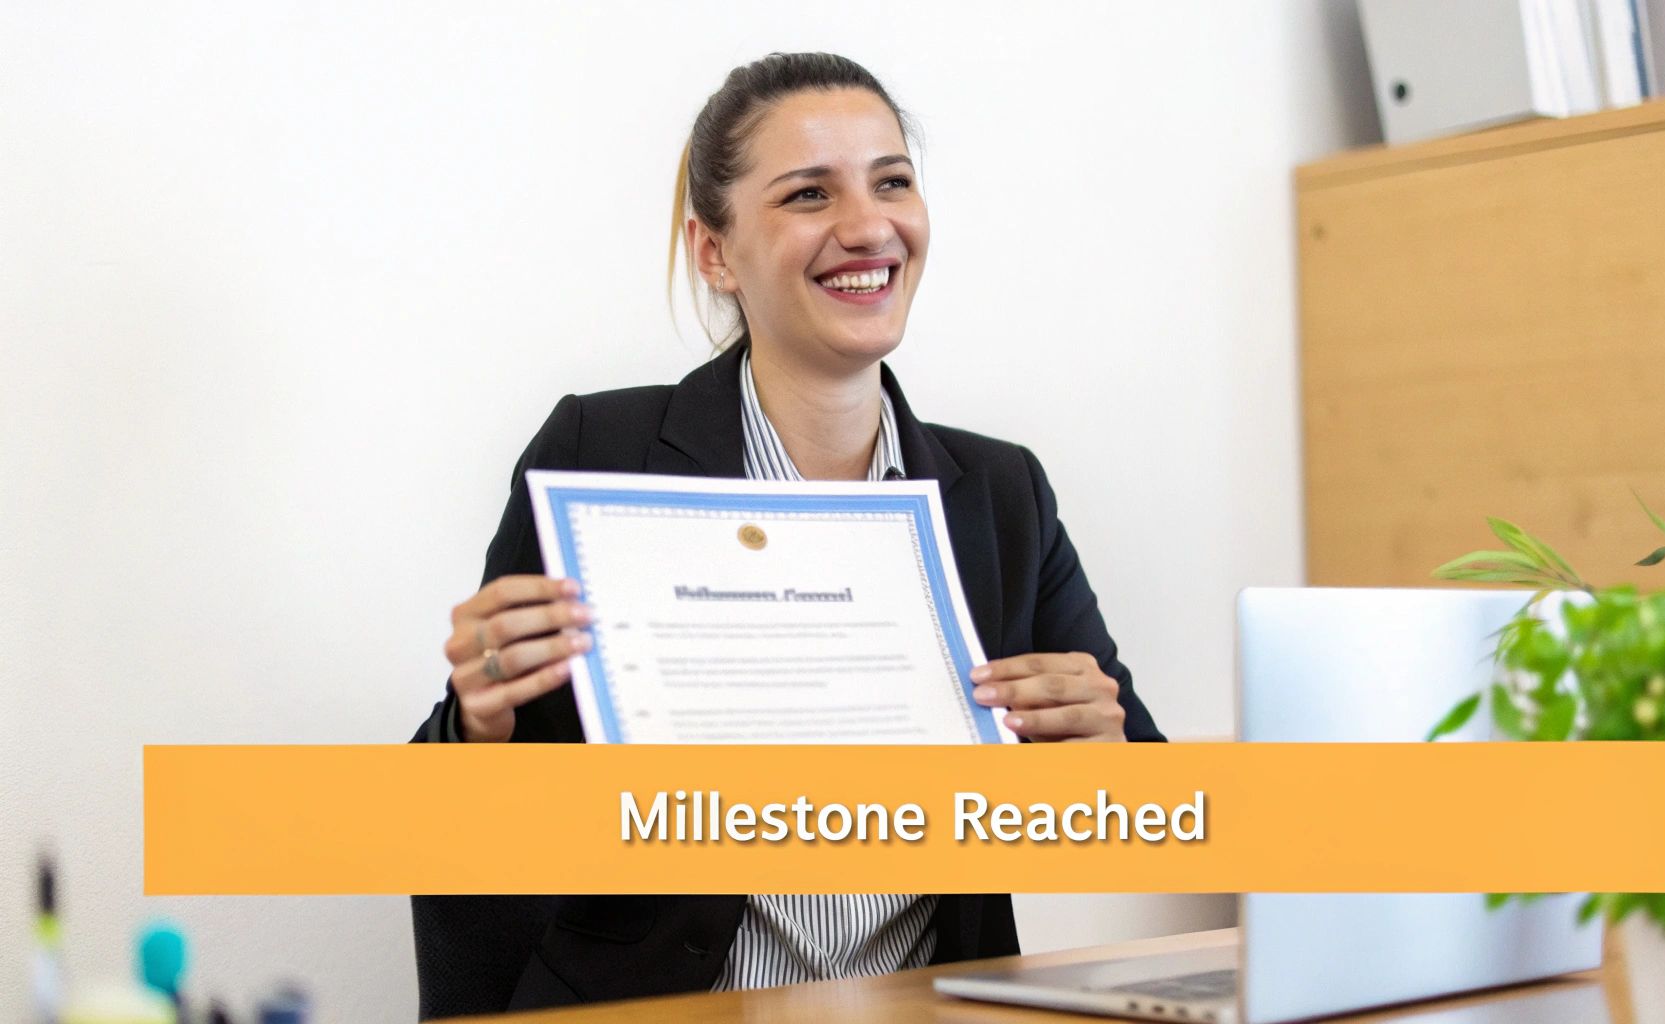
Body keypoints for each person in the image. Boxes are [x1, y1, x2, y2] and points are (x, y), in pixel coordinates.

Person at [410, 52, 1164, 1017]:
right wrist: (480, 716)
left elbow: (1149, 805)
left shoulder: (1002, 493)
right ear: (715, 252)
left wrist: (1100, 744)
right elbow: (470, 815)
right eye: (809, 193)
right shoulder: (600, 454)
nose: (867, 227)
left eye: (892, 181)